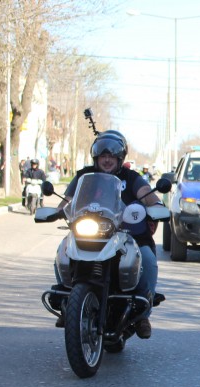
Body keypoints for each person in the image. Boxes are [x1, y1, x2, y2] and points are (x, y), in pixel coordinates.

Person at [59, 130, 161, 338]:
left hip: (127, 234)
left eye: (111, 156)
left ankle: (143, 315)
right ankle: (67, 301)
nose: (106, 160)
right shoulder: (83, 176)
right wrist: (56, 210)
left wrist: (157, 206)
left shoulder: (131, 178)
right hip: (90, 234)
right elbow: (67, 200)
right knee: (63, 250)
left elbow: (148, 196)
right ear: (96, 158)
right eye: (103, 156)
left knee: (148, 259)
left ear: (119, 158)